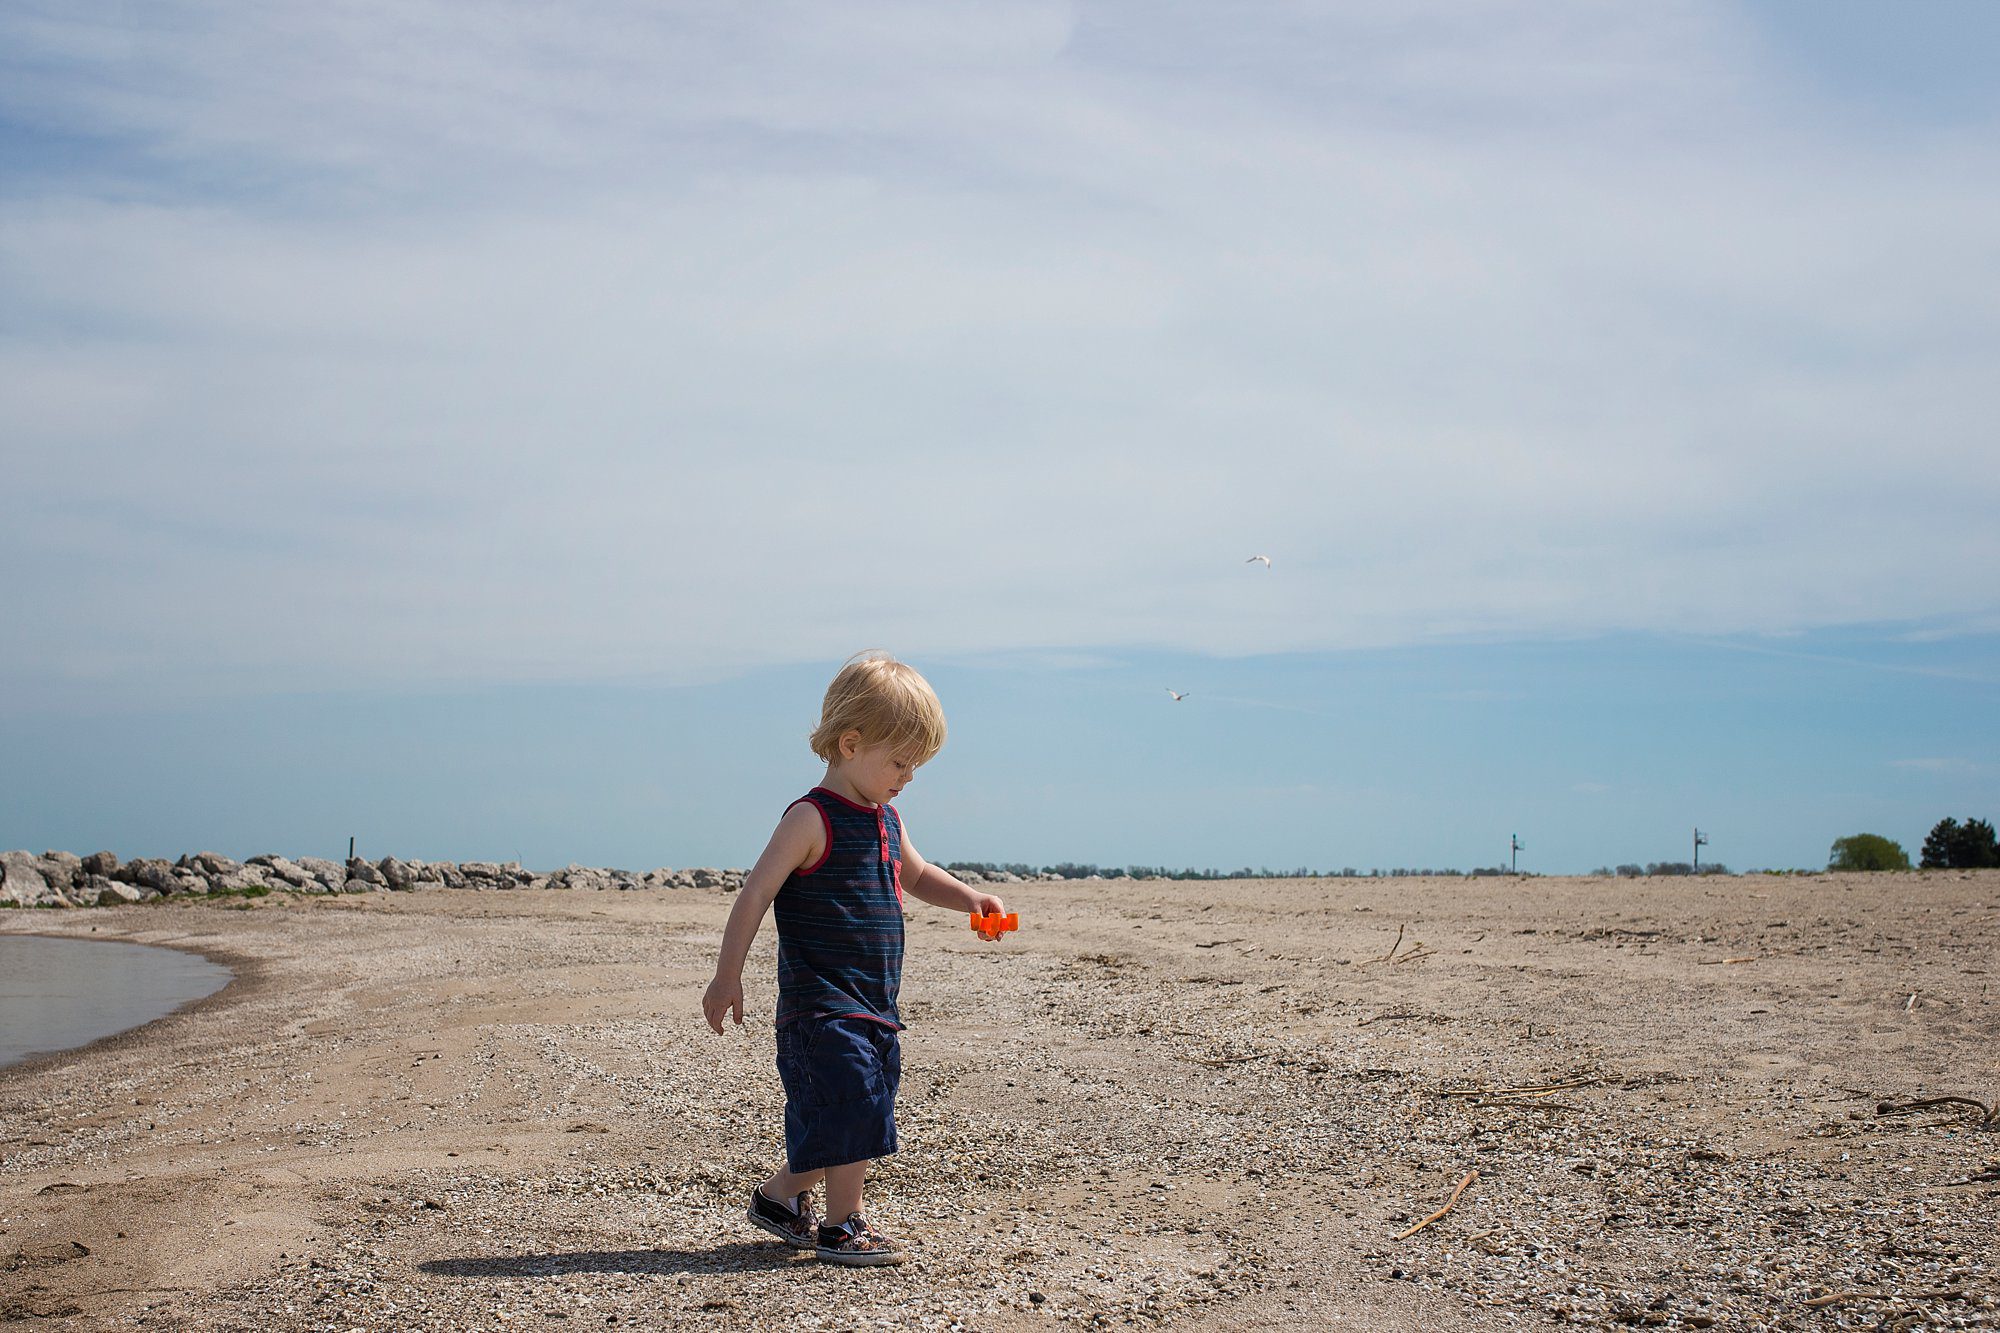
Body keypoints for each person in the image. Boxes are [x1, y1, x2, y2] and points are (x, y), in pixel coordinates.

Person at [702, 651, 1010, 1266]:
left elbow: (918, 877)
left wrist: (973, 899)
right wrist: (726, 975)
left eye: (916, 764)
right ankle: (844, 1224)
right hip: (821, 1005)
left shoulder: (887, 821)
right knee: (856, 1104)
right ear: (850, 743)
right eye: (900, 761)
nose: (909, 776)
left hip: (875, 1002)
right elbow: (756, 893)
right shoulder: (809, 818)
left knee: (845, 1118)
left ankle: (780, 1198)